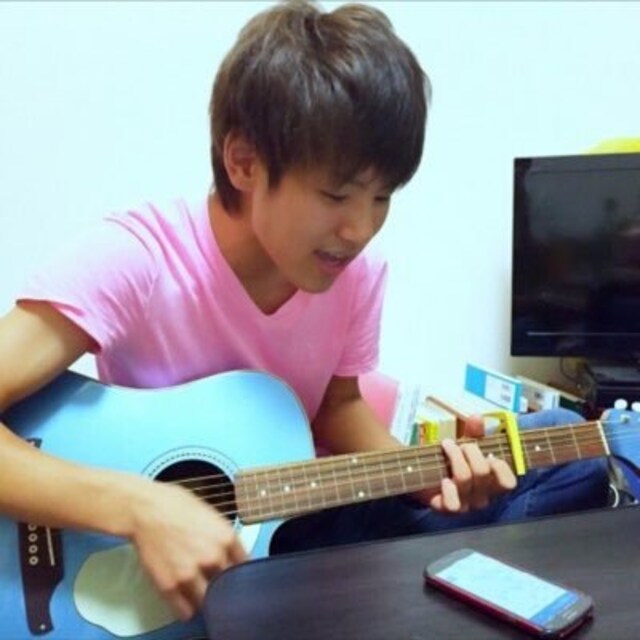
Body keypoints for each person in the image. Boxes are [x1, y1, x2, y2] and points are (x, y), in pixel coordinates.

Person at [0, 0, 609, 629]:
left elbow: (336, 406)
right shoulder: (138, 257)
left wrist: (424, 477)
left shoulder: (357, 273)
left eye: (382, 197)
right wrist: (138, 508)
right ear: (243, 162)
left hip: (296, 528)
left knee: (569, 448)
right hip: (130, 567)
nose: (360, 229)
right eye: (336, 194)